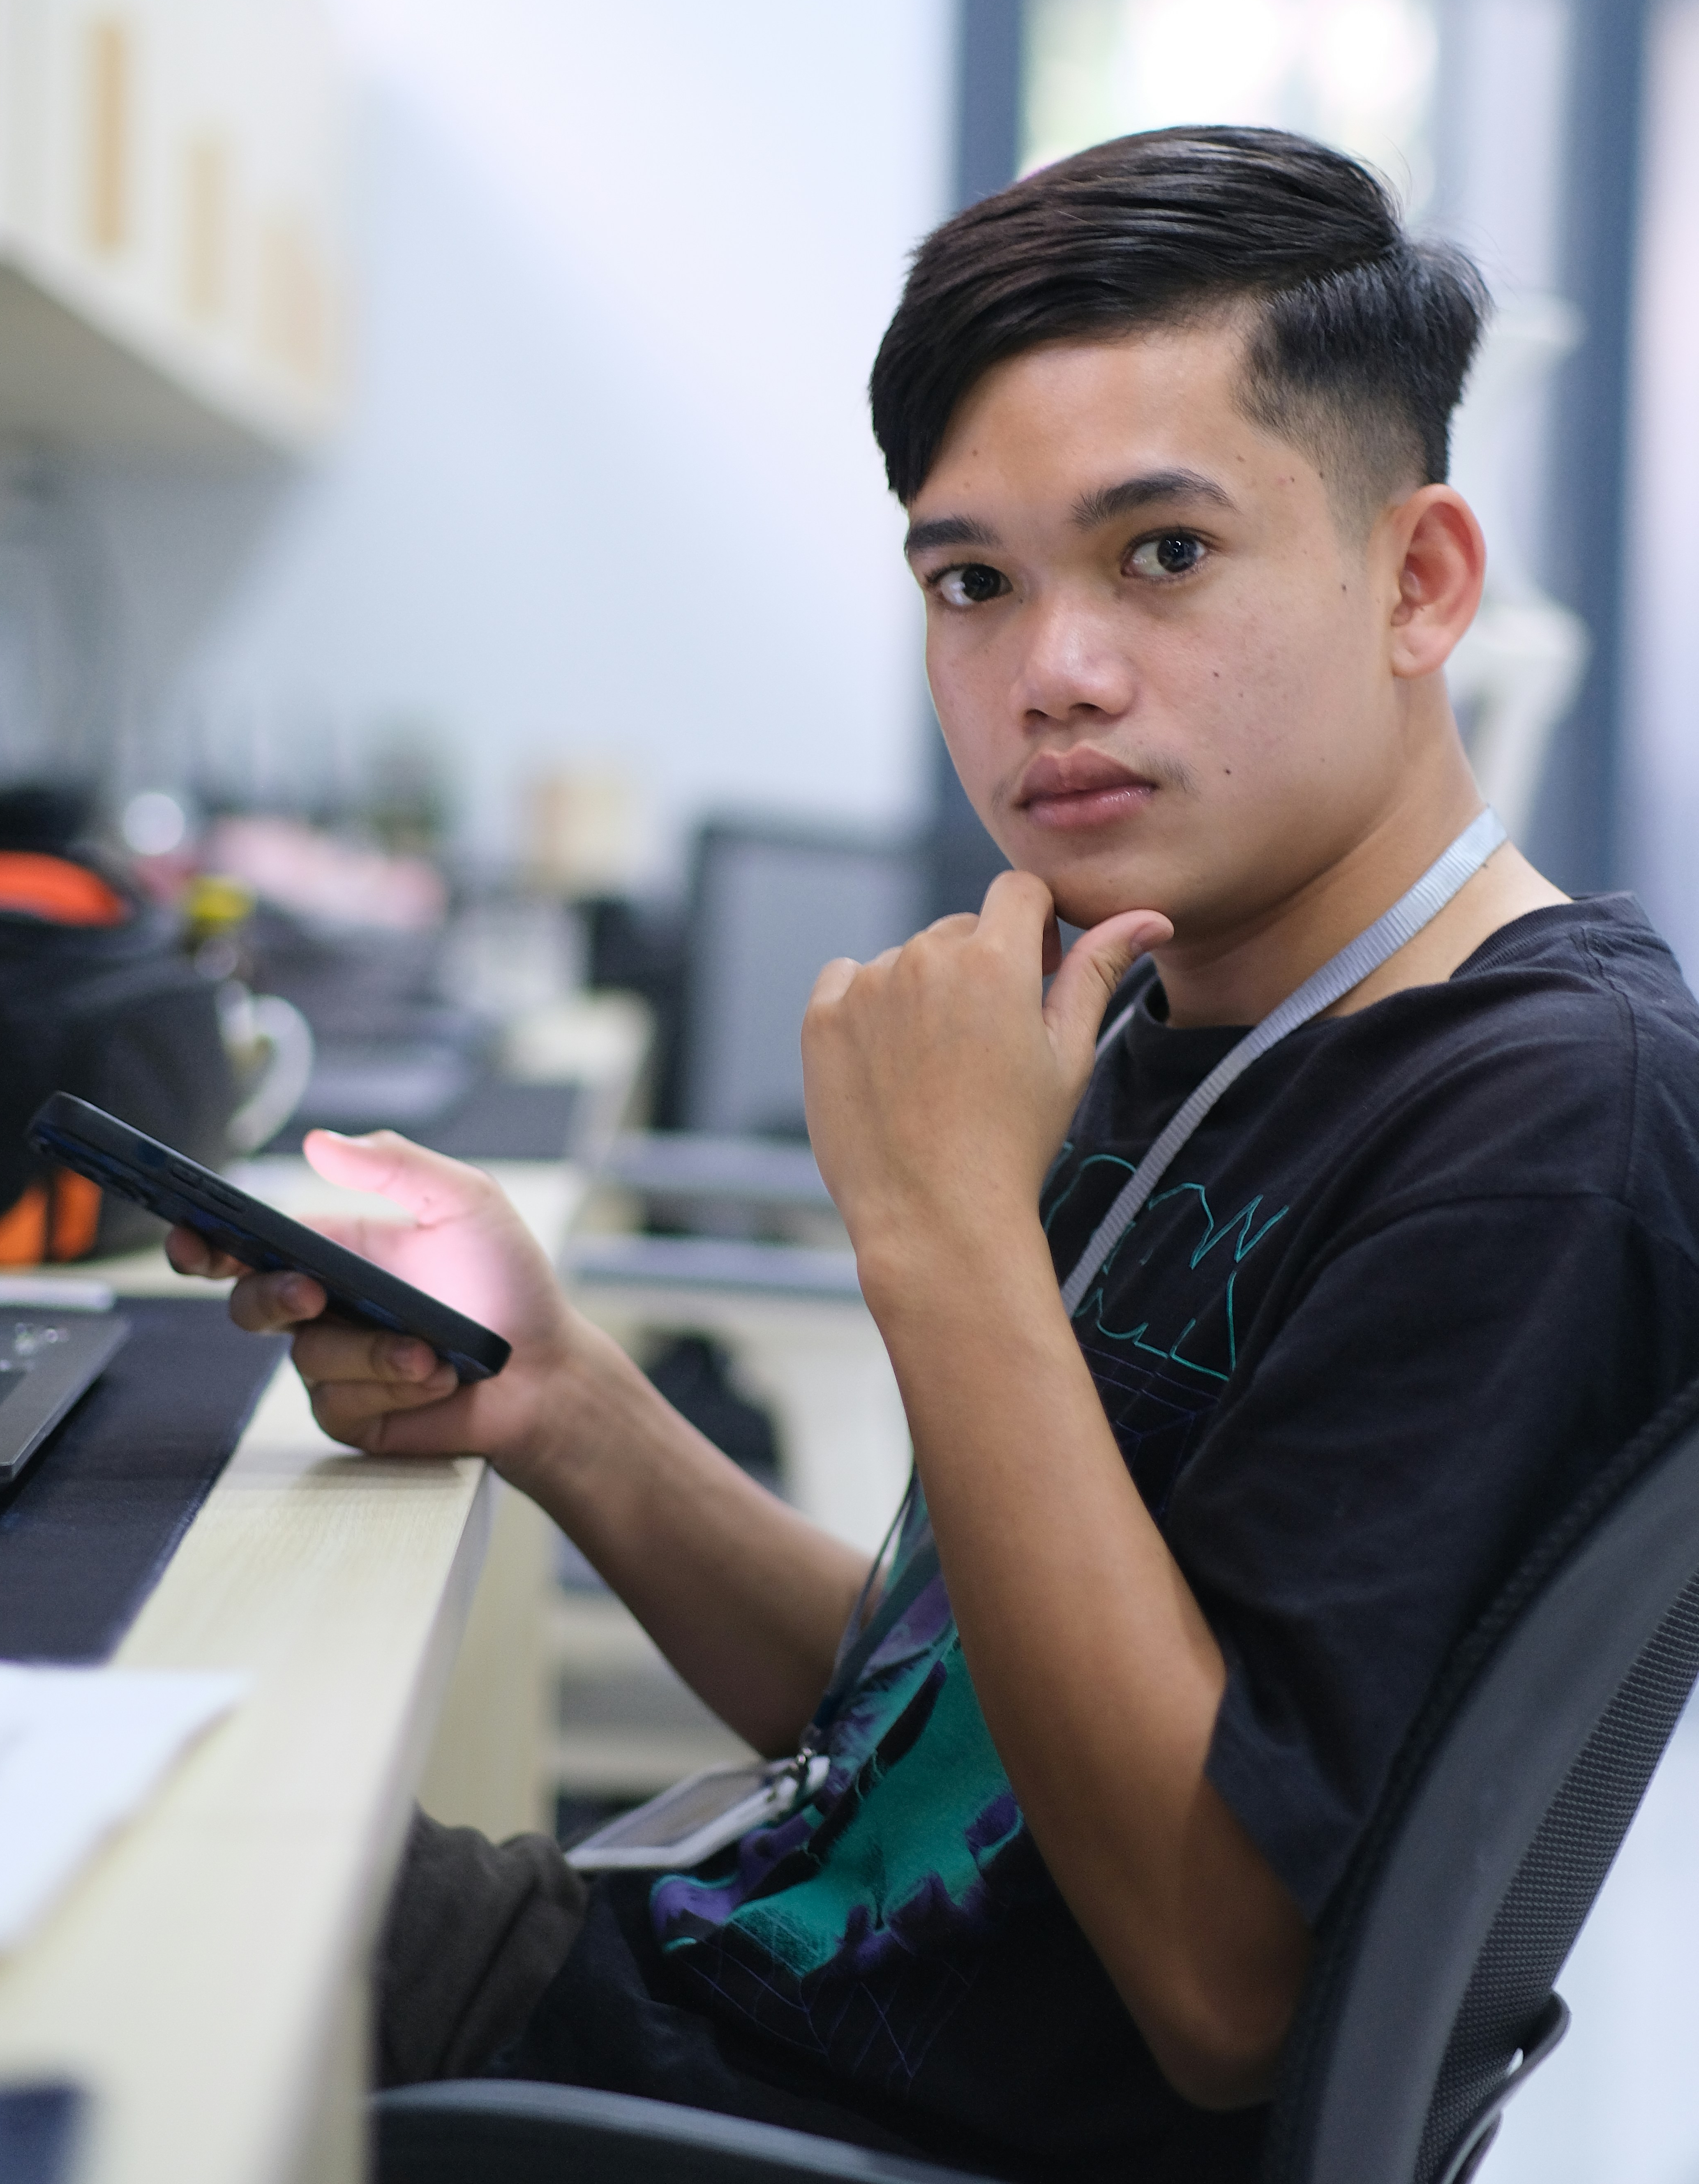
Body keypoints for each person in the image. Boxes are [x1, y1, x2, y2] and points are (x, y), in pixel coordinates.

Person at [171, 126, 1699, 2184]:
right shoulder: (1196, 1013)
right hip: (685, 2009)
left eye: (1161, 554)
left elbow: (1227, 1983)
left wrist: (944, 1230)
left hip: (746, 2124)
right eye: (972, 581)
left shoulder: (1541, 1122)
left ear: (1414, 580)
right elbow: (952, 1740)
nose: (1050, 671)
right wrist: (567, 1409)